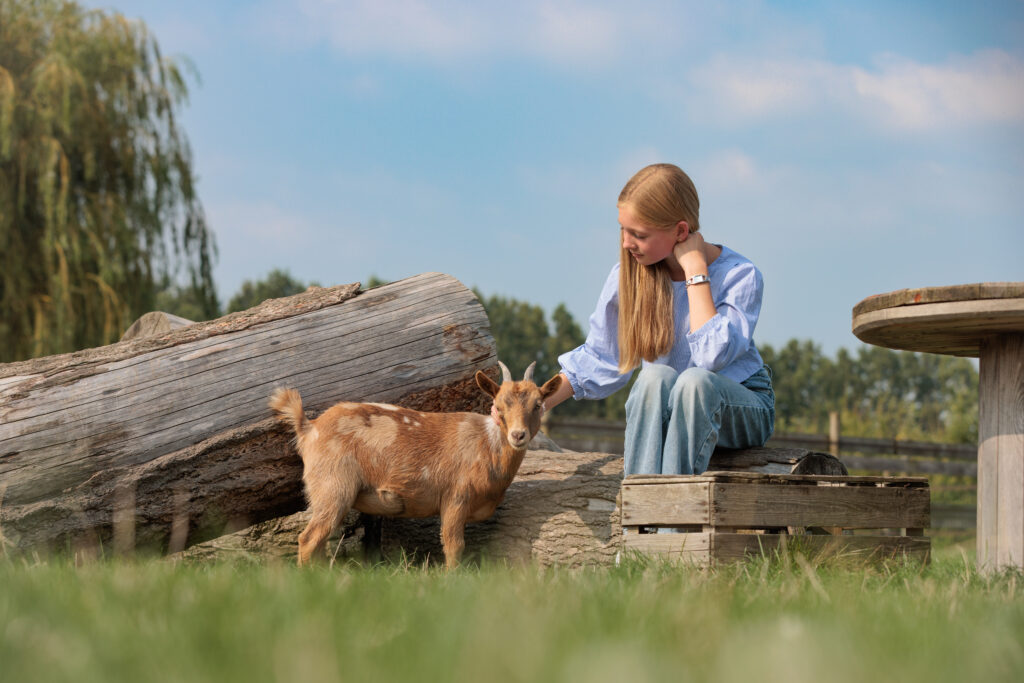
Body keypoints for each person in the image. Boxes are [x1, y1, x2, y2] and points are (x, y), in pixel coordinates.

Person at [538, 163, 775, 476]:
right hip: (671, 407)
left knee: (694, 383)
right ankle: (642, 515)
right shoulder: (628, 277)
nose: (626, 243)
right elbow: (601, 357)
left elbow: (711, 358)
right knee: (652, 378)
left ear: (680, 232)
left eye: (638, 234)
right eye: (623, 229)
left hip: (738, 405)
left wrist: (695, 271)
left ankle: (669, 522)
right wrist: (535, 403)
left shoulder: (739, 275)